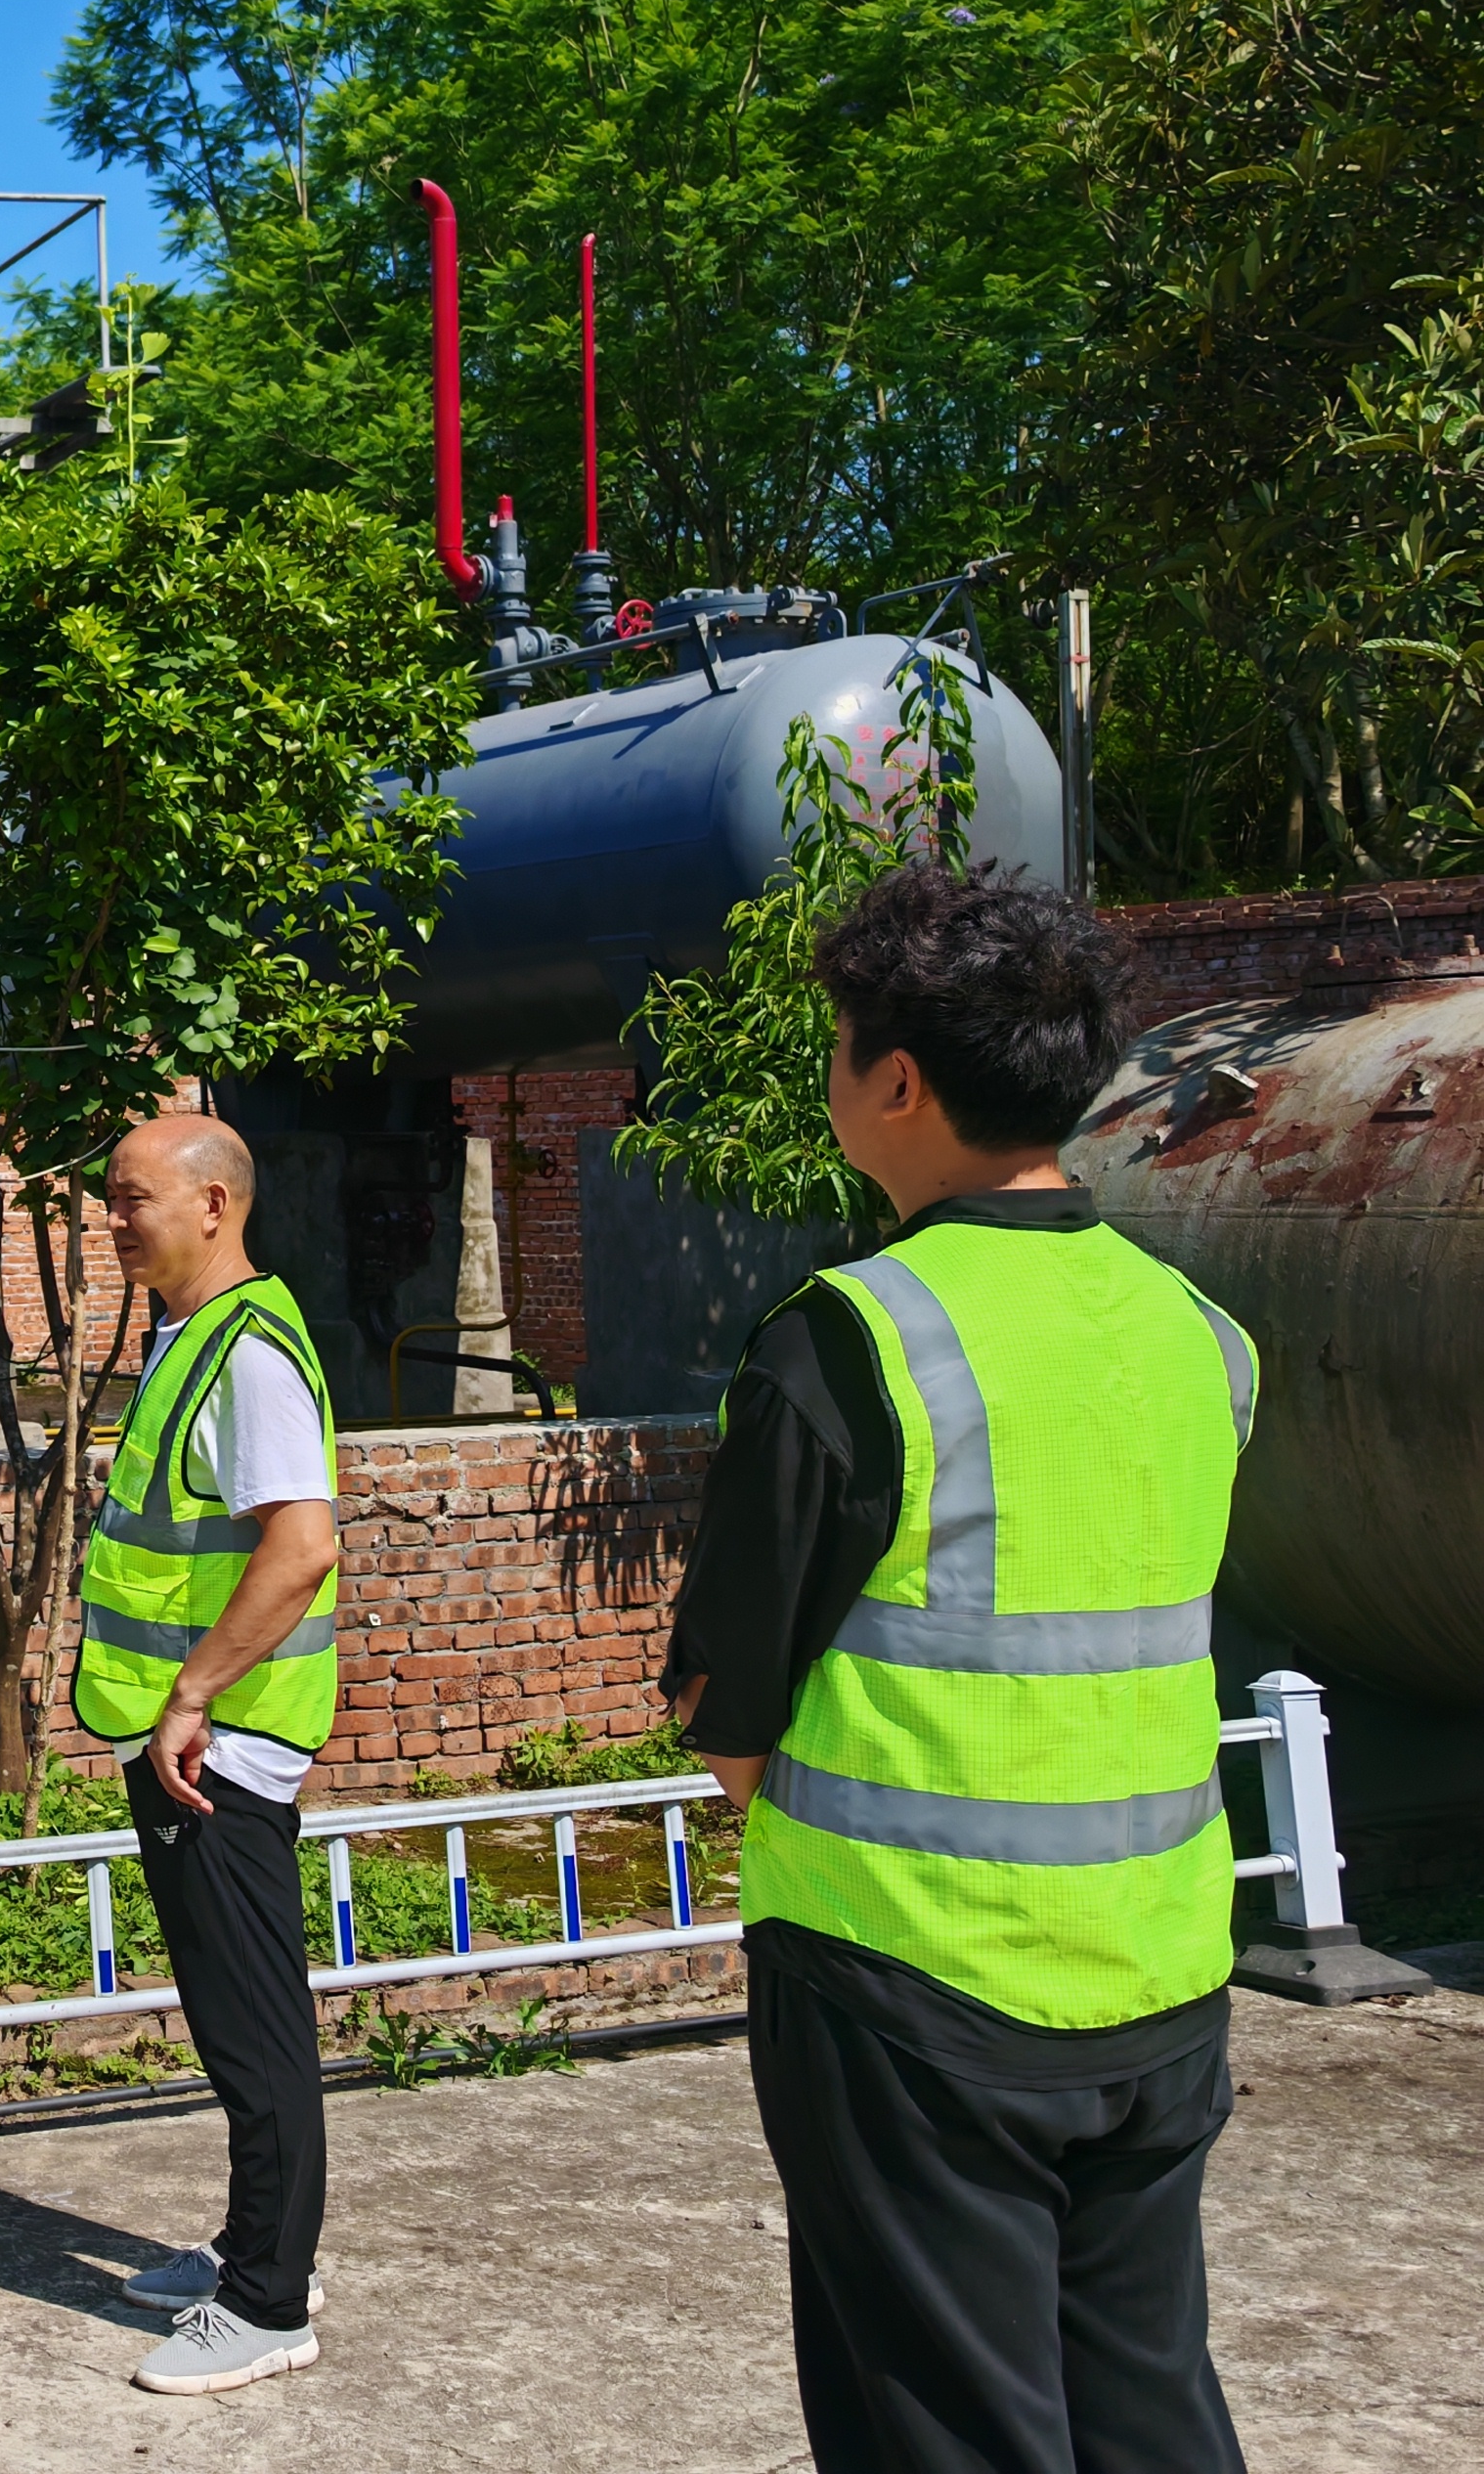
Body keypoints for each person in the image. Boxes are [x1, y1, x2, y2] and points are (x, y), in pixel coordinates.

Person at [665, 862, 1256, 2473]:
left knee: (946, 2426)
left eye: (841, 1044)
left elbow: (728, 1716)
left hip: (909, 1994)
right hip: (1160, 1970)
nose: (833, 1074)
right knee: (1145, 2406)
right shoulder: (1198, 1330)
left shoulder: (847, 1339)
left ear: (900, 1082)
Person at [73, 1112, 338, 2399]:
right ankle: (251, 2247)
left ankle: (270, 2304)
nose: (112, 1220)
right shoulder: (189, 1336)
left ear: (214, 1203)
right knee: (233, 2019)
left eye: (131, 1200)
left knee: (253, 2032)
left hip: (217, 1749)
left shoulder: (246, 1355)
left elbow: (301, 1546)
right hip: (186, 1738)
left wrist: (194, 1694)